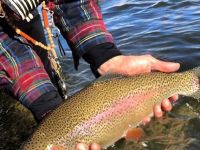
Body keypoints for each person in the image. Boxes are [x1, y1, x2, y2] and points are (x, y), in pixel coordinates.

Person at [0, 1, 180, 150]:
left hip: (24, 19)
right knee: (37, 109)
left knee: (50, 106)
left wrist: (105, 56)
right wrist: (45, 105)